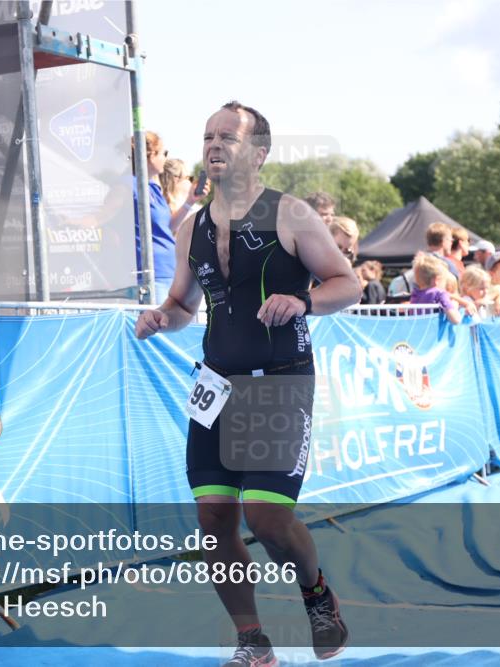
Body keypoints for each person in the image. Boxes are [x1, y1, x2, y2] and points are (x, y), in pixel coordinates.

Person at [135, 101, 358, 666]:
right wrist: (161, 316)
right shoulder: (191, 227)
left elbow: (347, 284)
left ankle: (316, 594)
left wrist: (303, 301)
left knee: (267, 518)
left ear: (258, 153)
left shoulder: (290, 214)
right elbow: (183, 304)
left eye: (227, 137)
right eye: (208, 136)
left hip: (278, 383)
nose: (214, 145)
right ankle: (253, 642)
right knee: (213, 519)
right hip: (215, 386)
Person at [133, 131, 179, 303]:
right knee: (158, 320)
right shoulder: (128, 185)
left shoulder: (153, 187)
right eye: (163, 153)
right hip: (151, 274)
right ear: (150, 155)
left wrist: (190, 202)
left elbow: (167, 227)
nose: (165, 158)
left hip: (169, 271)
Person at [409, 253, 463, 324]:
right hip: (434, 330)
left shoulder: (415, 294)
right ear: (436, 280)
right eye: (444, 281)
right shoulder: (439, 294)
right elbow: (456, 320)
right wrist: (455, 305)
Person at [161, 157, 210, 233]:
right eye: (190, 178)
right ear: (176, 179)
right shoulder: (163, 208)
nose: (192, 182)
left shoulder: (158, 204)